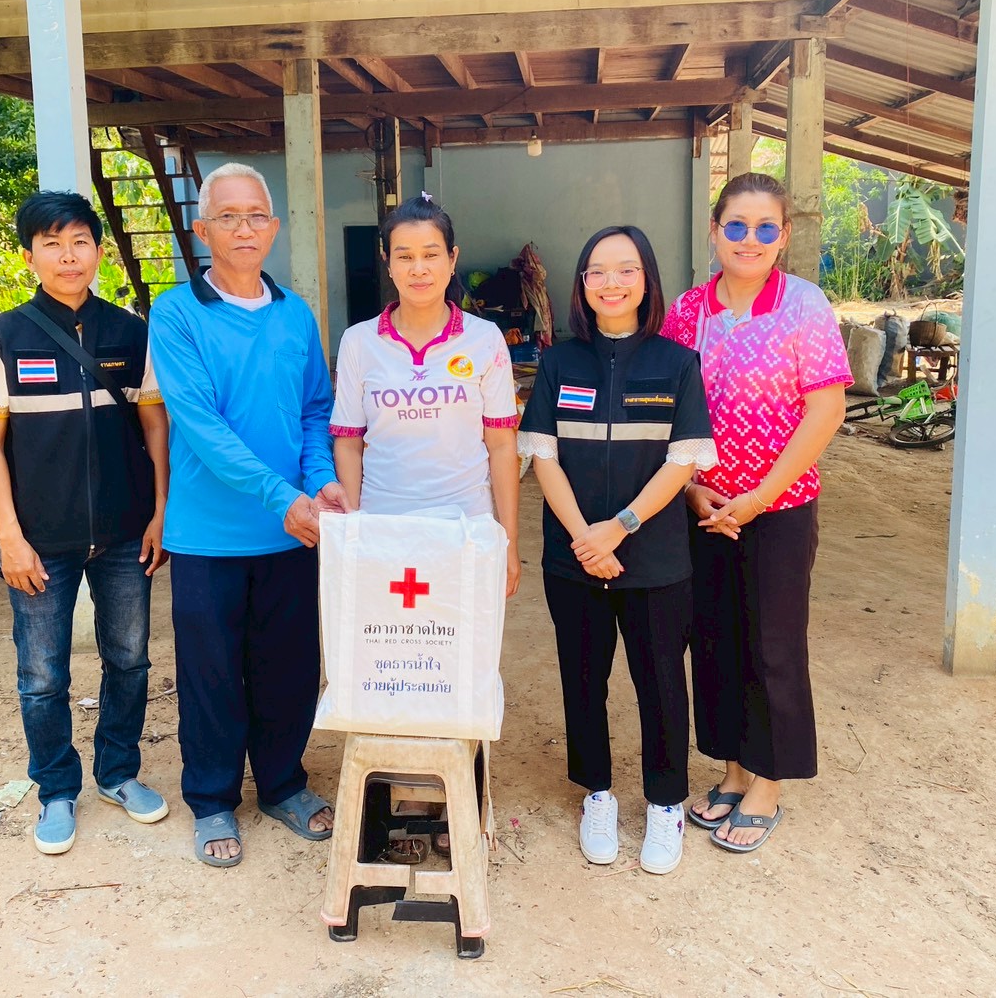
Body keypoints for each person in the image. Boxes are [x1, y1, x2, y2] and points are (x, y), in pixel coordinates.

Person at [148, 162, 347, 868]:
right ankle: (211, 799)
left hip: (291, 532)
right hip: (209, 534)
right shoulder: (176, 314)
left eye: (256, 215)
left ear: (274, 227)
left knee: (288, 667)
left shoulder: (295, 315)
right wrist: (281, 496)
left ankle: (284, 784)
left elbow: (315, 410)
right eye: (227, 216)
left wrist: (320, 482)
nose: (243, 228)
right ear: (202, 230)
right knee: (210, 675)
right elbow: (200, 425)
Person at [0, 190, 171, 856]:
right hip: (39, 541)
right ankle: (56, 789)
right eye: (51, 244)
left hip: (123, 532)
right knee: (43, 676)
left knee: (129, 659)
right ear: (30, 257)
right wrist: (9, 538)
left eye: (80, 241)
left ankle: (118, 772)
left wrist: (160, 512)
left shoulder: (130, 332)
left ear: (99, 252)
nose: (68, 256)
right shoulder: (4, 337)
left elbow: (154, 426)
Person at [662, 172, 852, 854]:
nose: (749, 239)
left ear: (783, 235)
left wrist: (760, 496)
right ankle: (733, 769)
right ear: (714, 231)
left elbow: (825, 410)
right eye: (736, 226)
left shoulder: (803, 305)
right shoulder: (687, 312)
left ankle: (767, 780)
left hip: (777, 509)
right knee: (713, 641)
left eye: (764, 227)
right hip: (704, 508)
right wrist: (691, 490)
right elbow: (669, 413)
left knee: (772, 643)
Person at [328, 192, 521, 863]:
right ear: (386, 261)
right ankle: (395, 808)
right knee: (392, 667)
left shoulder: (484, 341)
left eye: (430, 255)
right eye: (404, 255)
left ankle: (457, 806)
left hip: (463, 538)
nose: (418, 268)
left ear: (452, 259)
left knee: (460, 667)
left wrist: (505, 542)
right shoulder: (359, 343)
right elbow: (348, 440)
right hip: (386, 539)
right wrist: (357, 532)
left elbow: (501, 446)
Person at [518, 226, 715, 875]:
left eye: (626, 269)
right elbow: (543, 456)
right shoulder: (557, 363)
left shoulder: (676, 363)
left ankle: (665, 802)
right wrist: (585, 536)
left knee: (661, 683)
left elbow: (682, 461)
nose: (611, 283)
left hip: (653, 559)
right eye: (597, 271)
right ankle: (597, 795)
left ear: (646, 280)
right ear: (581, 285)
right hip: (573, 558)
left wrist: (620, 527)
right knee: (582, 679)